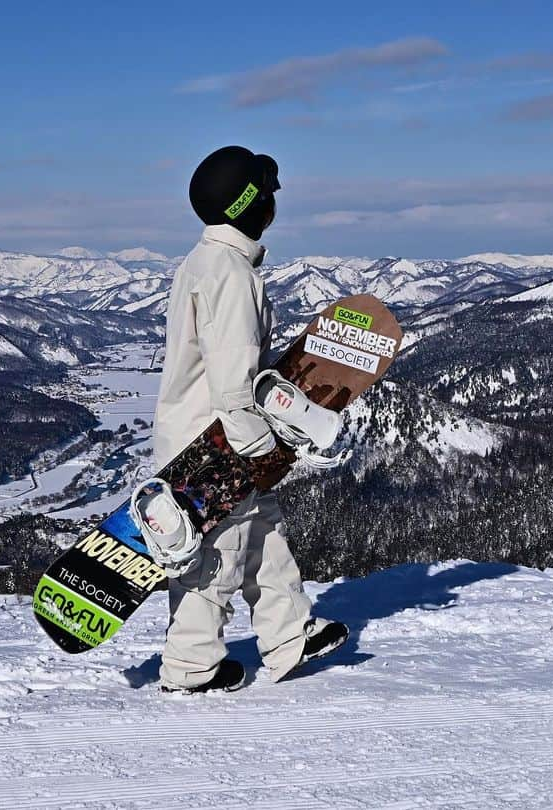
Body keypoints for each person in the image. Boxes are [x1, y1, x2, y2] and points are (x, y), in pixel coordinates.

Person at [153, 145, 349, 694]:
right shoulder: (229, 274)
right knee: (218, 552)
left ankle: (289, 636)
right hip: (216, 441)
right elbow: (234, 381)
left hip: (213, 434)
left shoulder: (206, 261)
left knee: (262, 531)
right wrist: (255, 450)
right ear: (250, 203)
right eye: (268, 192)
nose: (275, 200)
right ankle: (191, 670)